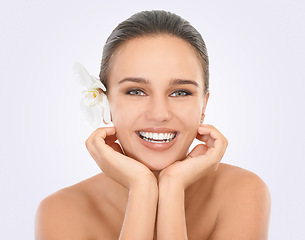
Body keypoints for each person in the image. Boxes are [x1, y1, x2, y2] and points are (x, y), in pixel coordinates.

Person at [35, 10, 271, 239]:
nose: (159, 114)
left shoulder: (243, 193)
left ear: (204, 105)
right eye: (136, 91)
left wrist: (172, 186)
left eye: (180, 92)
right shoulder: (61, 212)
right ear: (105, 101)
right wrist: (142, 189)